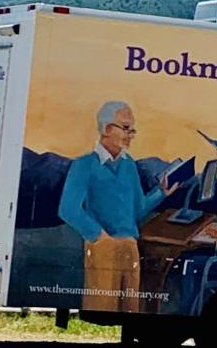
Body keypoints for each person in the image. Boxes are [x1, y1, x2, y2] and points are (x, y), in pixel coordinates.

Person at [58, 101, 177, 313]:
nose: (130, 135)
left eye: (132, 130)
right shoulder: (84, 164)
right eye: (126, 128)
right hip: (102, 246)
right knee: (102, 308)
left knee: (130, 310)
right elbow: (68, 209)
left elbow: (138, 209)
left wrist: (161, 193)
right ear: (106, 129)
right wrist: (100, 236)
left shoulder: (129, 165)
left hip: (130, 247)